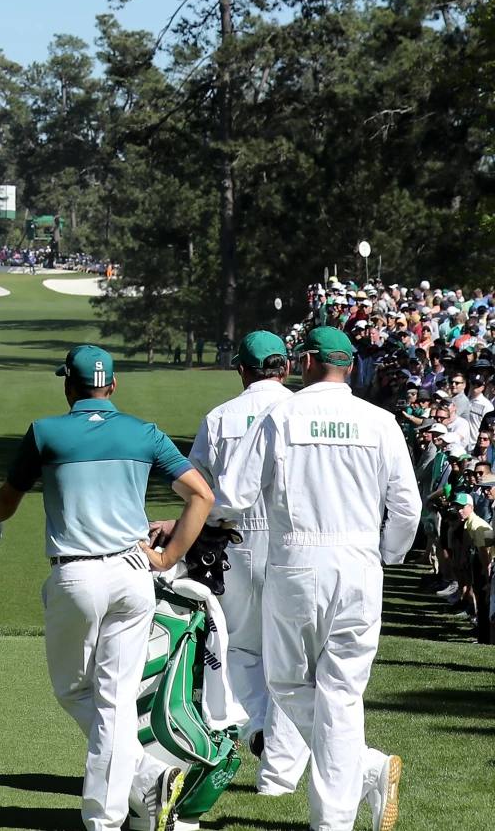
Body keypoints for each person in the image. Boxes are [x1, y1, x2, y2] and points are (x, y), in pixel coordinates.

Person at [0, 345, 214, 831]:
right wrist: (168, 558)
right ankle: (136, 798)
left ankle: (137, 789)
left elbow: (8, 498)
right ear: (113, 387)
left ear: (68, 386)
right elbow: (202, 496)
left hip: (77, 575)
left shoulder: (46, 433)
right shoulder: (143, 433)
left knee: (73, 690)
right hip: (132, 574)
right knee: (114, 700)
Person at [214, 326, 419, 831]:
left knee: (286, 683)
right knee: (342, 693)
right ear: (349, 364)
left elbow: (235, 496)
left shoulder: (281, 415)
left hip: (298, 560)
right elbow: (408, 508)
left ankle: (363, 771)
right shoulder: (380, 421)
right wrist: (386, 554)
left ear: (307, 361)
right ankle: (347, 798)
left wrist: (192, 520)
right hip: (359, 562)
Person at [182, 330, 312, 798]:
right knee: (291, 659)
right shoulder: (304, 412)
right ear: (287, 368)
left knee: (237, 649)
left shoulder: (220, 417)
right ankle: (278, 773)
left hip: (233, 542)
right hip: (293, 543)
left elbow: (196, 484)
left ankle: (256, 728)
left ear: (242, 369)